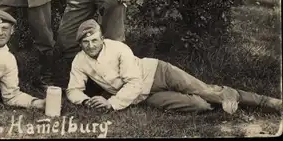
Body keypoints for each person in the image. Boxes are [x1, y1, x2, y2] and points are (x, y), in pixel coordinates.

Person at [66, 19, 283, 114]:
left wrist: (111, 103)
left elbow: (133, 82)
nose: (91, 45)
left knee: (207, 91)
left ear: (102, 38)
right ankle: (222, 100)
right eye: (85, 42)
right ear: (80, 44)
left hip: (158, 72)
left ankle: (267, 103)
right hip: (143, 96)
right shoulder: (80, 60)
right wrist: (86, 101)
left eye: (94, 40)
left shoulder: (118, 48)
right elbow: (73, 89)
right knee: (201, 106)